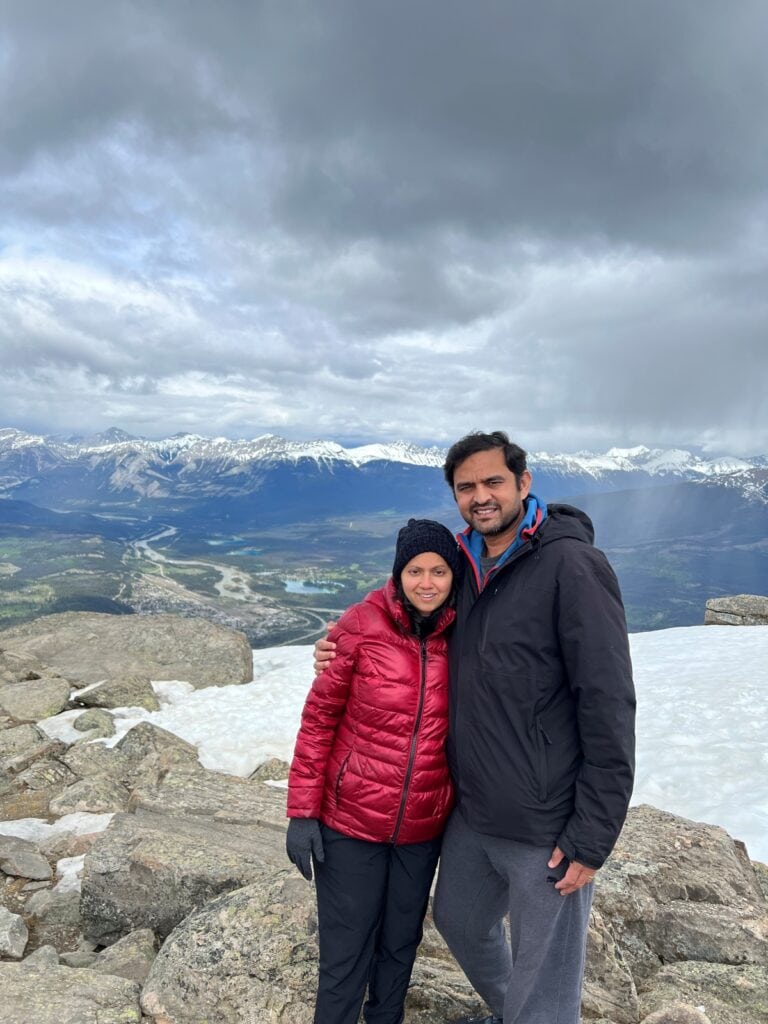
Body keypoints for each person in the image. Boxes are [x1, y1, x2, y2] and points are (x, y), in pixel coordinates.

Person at [315, 431, 636, 1024]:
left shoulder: (572, 567)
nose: (481, 496)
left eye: (493, 482)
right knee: (459, 921)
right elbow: (408, 594)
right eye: (467, 487)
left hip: (547, 820)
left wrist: (593, 834)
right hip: (473, 810)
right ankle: (514, 1011)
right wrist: (344, 640)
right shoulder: (465, 563)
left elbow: (609, 702)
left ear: (523, 483)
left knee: (547, 977)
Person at [286, 518, 462, 1024]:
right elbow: (319, 721)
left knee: (400, 944)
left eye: (438, 571)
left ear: (454, 578)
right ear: (397, 573)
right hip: (351, 823)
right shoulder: (361, 625)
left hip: (422, 828)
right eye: (414, 570)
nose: (426, 582)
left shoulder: (465, 634)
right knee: (345, 953)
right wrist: (302, 812)